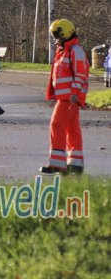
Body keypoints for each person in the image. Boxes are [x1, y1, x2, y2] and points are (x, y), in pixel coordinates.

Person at [41, 18, 90, 175]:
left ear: (66, 33)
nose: (55, 39)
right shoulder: (64, 51)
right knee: (72, 129)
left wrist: (74, 93)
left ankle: (57, 164)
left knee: (56, 125)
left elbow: (81, 75)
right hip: (67, 97)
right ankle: (75, 164)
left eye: (57, 35)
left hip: (69, 98)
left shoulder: (75, 51)